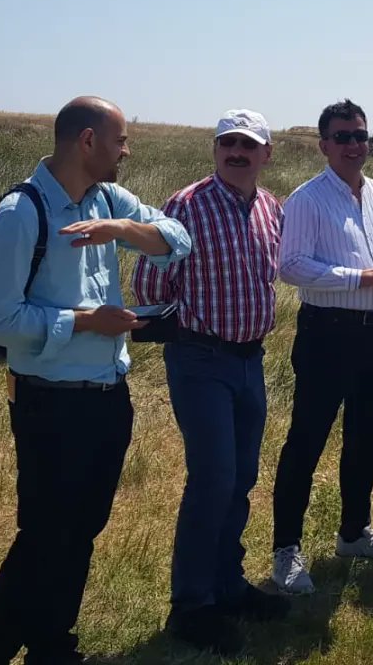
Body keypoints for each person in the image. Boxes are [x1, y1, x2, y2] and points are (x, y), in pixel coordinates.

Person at [0, 96, 191, 665]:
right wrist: (88, 321)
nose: (126, 152)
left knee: (81, 528)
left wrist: (120, 228)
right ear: (87, 142)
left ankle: (51, 647)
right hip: (49, 403)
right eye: (119, 141)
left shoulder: (106, 198)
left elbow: (177, 240)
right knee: (45, 535)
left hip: (107, 396)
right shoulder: (21, 213)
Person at [133, 110, 288, 657]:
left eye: (248, 144)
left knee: (242, 477)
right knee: (213, 478)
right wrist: (176, 332)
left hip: (251, 361)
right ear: (215, 150)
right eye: (228, 143)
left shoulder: (272, 208)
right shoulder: (186, 206)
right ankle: (192, 606)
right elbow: (150, 283)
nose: (236, 152)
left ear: (267, 154)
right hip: (200, 359)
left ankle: (228, 585)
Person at [271, 99, 373, 595]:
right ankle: (285, 550)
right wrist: (358, 278)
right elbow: (291, 266)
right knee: (306, 441)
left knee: (365, 437)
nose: (354, 145)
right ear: (324, 145)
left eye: (361, 135)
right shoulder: (307, 199)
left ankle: (354, 533)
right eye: (343, 137)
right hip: (326, 333)